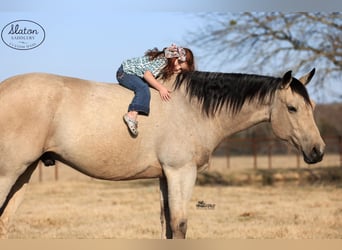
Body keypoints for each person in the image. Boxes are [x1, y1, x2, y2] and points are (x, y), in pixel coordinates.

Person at [116, 44, 195, 136]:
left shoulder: (166, 62)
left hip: (133, 73)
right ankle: (132, 114)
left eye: (181, 70)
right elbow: (147, 75)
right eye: (179, 64)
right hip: (125, 72)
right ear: (175, 57)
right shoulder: (163, 61)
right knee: (143, 88)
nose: (178, 69)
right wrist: (161, 88)